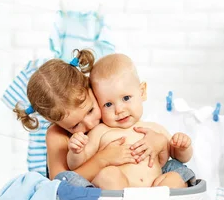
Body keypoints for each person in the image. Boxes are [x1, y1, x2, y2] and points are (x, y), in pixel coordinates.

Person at [13, 49, 194, 188]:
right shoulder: (60, 134)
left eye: (91, 110)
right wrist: (103, 158)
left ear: (92, 90)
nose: (90, 123)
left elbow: (173, 152)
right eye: (75, 125)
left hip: (151, 185)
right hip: (109, 192)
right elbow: (63, 184)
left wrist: (161, 142)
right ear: (57, 123)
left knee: (179, 175)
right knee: (108, 177)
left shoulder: (120, 112)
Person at [67, 53, 193, 190]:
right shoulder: (101, 131)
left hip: (154, 191)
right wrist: (76, 152)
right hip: (120, 195)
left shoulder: (154, 129)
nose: (119, 110)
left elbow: (180, 157)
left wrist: (182, 146)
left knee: (176, 179)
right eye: (108, 104)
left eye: (126, 98)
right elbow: (77, 166)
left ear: (142, 92)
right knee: (108, 175)